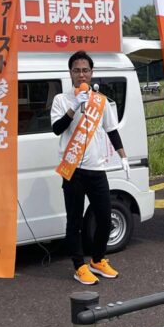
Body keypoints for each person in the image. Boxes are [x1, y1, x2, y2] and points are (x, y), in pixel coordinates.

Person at [51, 51, 131, 285]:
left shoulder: (101, 101)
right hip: (73, 169)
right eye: (77, 70)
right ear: (70, 74)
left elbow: (111, 130)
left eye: (85, 70)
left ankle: (97, 259)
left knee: (105, 217)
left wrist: (123, 156)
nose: (81, 74)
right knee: (74, 221)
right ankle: (79, 266)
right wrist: (74, 106)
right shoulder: (62, 100)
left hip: (97, 169)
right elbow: (57, 128)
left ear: (92, 73)